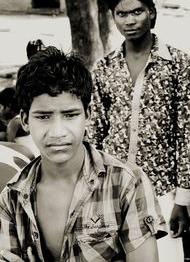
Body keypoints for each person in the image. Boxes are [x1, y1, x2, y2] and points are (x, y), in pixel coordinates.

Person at [0, 46, 167, 262]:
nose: (58, 132)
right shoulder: (11, 198)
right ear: (24, 120)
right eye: (43, 117)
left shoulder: (126, 184)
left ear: (87, 115)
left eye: (70, 115)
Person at [88, 0, 190, 262]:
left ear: (151, 12)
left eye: (137, 11)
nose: (130, 20)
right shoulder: (103, 68)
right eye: (121, 14)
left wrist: (182, 200)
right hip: (112, 190)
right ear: (113, 17)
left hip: (162, 192)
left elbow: (187, 134)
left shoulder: (179, 65)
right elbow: (94, 131)